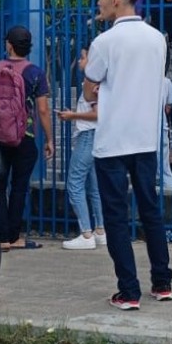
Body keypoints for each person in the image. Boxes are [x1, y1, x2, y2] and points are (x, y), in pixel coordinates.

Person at [84, 0, 172, 310]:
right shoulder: (157, 38)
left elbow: (91, 86)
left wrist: (95, 90)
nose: (100, 3)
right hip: (146, 138)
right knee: (151, 211)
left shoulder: (104, 42)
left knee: (117, 217)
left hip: (113, 141)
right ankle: (162, 282)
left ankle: (129, 290)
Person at [0, 26, 54, 252]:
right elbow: (43, 110)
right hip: (25, 135)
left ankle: (1, 237)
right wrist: (49, 139)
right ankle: (14, 236)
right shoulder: (35, 73)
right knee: (19, 187)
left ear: (9, 45)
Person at [57, 43, 106, 250]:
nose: (79, 61)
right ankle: (100, 230)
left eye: (83, 57)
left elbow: (97, 114)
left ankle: (86, 233)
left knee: (74, 183)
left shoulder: (91, 81)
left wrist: (72, 116)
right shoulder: (100, 81)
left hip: (87, 136)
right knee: (93, 186)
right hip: (94, 136)